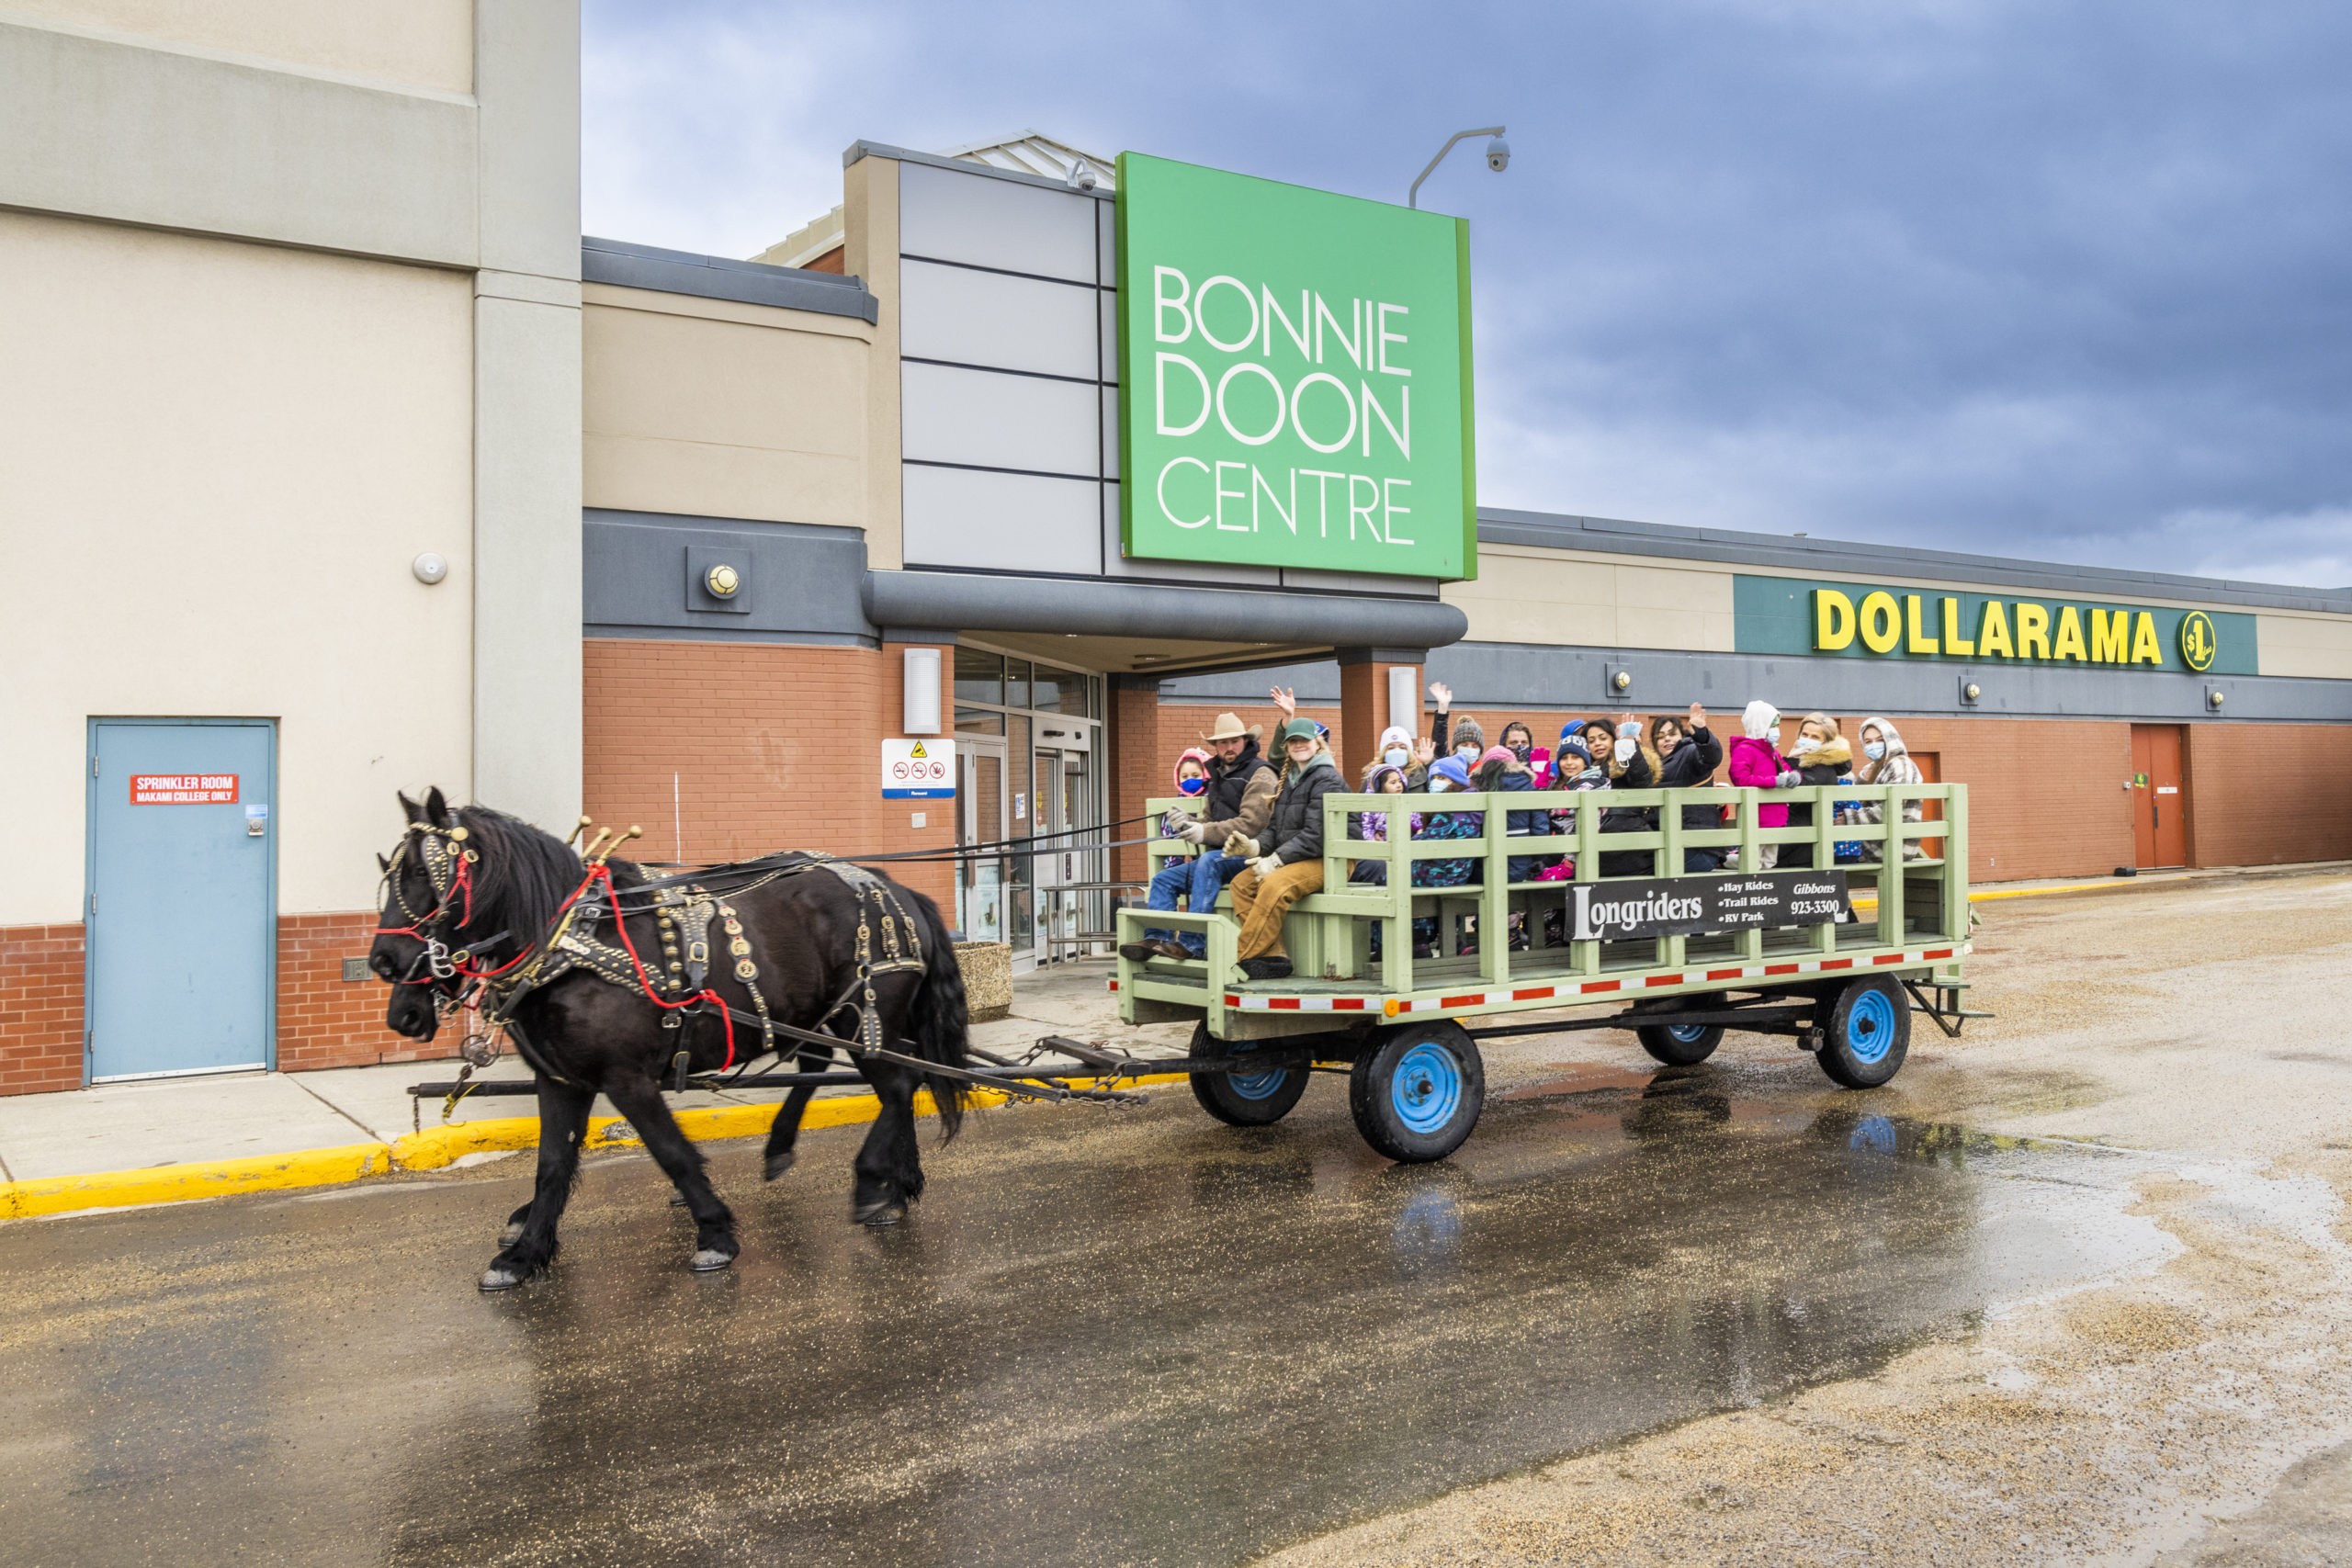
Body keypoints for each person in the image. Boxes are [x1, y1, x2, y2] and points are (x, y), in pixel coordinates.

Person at [1121, 713, 1273, 961]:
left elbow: (1252, 825)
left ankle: (1193, 944)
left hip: (1252, 854)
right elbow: (1210, 821)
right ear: (1215, 746)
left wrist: (1203, 831)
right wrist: (1188, 823)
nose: (1229, 747)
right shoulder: (1217, 776)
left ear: (1245, 741)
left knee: (1208, 861)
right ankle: (1158, 938)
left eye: (1234, 741)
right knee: (1163, 880)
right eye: (1223, 743)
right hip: (1218, 858)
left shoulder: (1261, 773)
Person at [1227, 718, 1343, 981]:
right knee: (1241, 885)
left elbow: (1316, 836)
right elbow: (1276, 829)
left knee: (1274, 884)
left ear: (1318, 743)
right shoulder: (1290, 779)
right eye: (1293, 741)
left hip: (1331, 858)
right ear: (1287, 747)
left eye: (1304, 740)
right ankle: (1272, 956)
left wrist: (1275, 861)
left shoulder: (1326, 778)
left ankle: (1241, 955)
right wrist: (1253, 846)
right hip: (1302, 857)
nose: (1299, 745)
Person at [1649, 703, 1726, 872]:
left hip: (1698, 847)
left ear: (1681, 735)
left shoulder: (1689, 751)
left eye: (1672, 734)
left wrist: (1702, 734)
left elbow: (1711, 758)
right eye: (1660, 737)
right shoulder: (1653, 766)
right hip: (1670, 843)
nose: (1667, 739)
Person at [1840, 716, 1928, 863]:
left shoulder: (1901, 765)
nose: (1874, 745)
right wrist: (1862, 781)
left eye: (1880, 740)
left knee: (1822, 851)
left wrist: (1850, 818)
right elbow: (1852, 800)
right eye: (1868, 742)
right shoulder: (1872, 768)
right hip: (1874, 840)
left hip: (1892, 846)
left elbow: (1893, 807)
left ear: (1890, 740)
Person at [1473, 744, 1555, 883]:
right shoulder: (1528, 787)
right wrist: (1533, 860)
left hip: (1483, 871)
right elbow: (1540, 830)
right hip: (1520, 870)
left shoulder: (1477, 788)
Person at [1724, 700, 1792, 870]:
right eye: (1773, 725)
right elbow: (1741, 778)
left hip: (1776, 817)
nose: (1776, 730)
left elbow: (1786, 769)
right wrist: (1773, 782)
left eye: (1777, 725)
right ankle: (1726, 860)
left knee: (1769, 862)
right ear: (1761, 724)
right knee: (1752, 860)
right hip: (1756, 818)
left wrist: (1794, 776)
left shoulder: (1773, 751)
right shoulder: (1744, 750)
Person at [1780, 712, 1850, 871]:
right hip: (1794, 845)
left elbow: (1795, 794)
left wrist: (1790, 761)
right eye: (1804, 734)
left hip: (1804, 852)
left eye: (1815, 737)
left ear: (1827, 743)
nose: (1808, 740)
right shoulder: (1804, 763)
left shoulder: (1823, 768)